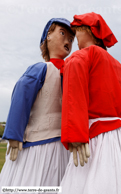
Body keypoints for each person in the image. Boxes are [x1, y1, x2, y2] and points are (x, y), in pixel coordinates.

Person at [59, 12, 121, 194]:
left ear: (88, 31)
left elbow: (74, 95)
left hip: (96, 137)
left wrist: (75, 134)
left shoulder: (82, 56)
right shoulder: (118, 65)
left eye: (77, 32)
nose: (75, 38)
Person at [0, 18, 74, 188]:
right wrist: (14, 133)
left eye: (71, 39)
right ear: (48, 36)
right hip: (39, 145)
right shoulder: (41, 69)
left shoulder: (72, 73)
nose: (68, 41)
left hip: (63, 147)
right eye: (62, 34)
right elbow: (21, 97)